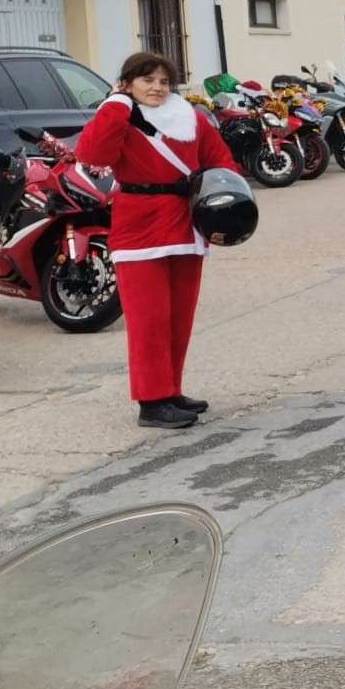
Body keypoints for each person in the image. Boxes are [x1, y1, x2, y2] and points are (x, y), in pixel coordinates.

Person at [77, 51, 241, 430]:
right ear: (128, 83)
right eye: (147, 80)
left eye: (164, 81)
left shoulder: (190, 118)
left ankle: (170, 391)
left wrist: (227, 201)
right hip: (140, 226)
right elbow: (93, 153)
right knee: (148, 319)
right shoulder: (119, 115)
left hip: (186, 224)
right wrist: (116, 105)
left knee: (178, 316)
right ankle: (151, 402)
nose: (157, 88)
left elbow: (221, 162)